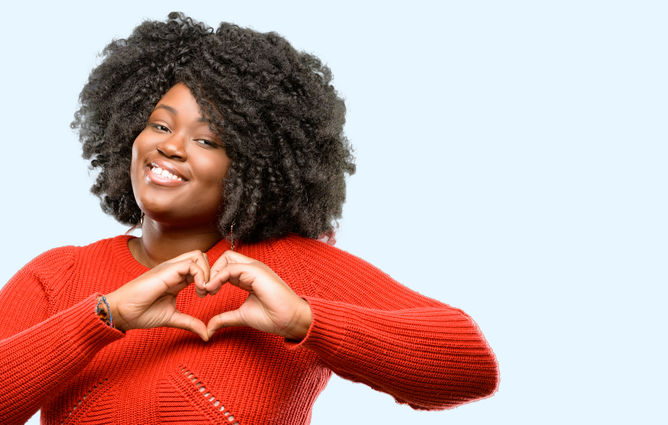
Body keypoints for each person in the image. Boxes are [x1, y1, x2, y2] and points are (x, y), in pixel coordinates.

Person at [0, 12, 499, 425]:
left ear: (254, 168)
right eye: (159, 124)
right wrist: (103, 317)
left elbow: (471, 366)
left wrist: (307, 321)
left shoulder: (293, 269)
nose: (169, 147)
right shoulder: (59, 276)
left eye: (206, 140)